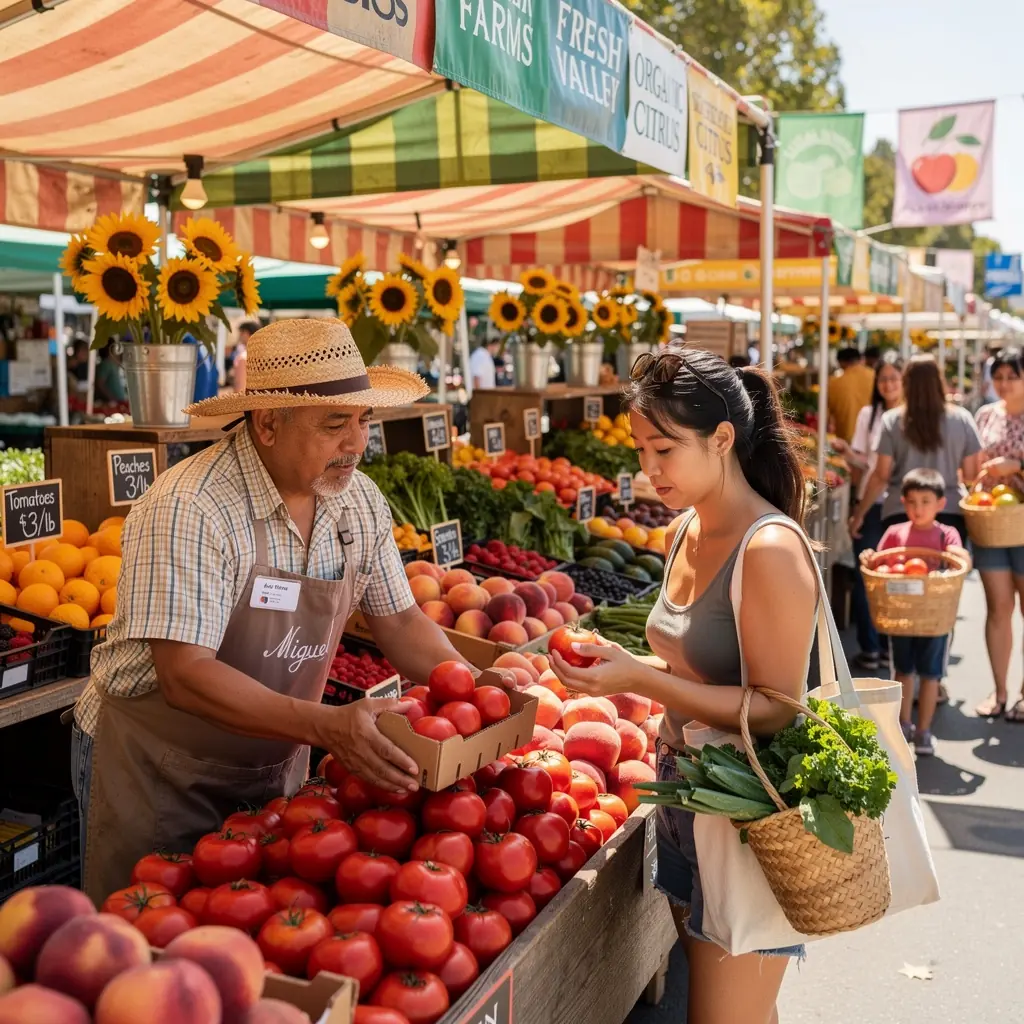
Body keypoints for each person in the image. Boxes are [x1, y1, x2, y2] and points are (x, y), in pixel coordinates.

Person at [71, 319, 515, 904]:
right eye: (336, 424)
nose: (356, 444)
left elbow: (402, 622)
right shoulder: (191, 508)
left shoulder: (356, 501)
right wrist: (324, 726)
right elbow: (185, 676)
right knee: (151, 947)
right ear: (268, 422)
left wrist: (483, 693)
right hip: (157, 769)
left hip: (274, 760)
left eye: (363, 421)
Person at [549, 349, 818, 1023]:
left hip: (750, 812)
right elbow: (695, 670)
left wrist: (640, 677)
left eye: (663, 449)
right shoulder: (688, 528)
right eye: (642, 448)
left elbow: (779, 711)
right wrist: (624, 662)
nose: (648, 469)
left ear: (722, 439)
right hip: (683, 793)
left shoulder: (770, 550)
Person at [876, 469, 965, 756]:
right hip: (902, 617)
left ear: (941, 503)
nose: (918, 508)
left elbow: (962, 559)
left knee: (931, 675)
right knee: (903, 670)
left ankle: (924, 730)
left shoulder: (946, 534)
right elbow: (878, 564)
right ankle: (904, 724)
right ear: (903, 502)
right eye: (912, 502)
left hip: (934, 619)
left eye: (926, 501)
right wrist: (870, 558)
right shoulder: (894, 533)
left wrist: (956, 558)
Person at [850, 354, 981, 542]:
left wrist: (859, 514)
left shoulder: (892, 421)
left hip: (901, 510)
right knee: (944, 570)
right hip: (949, 509)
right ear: (939, 381)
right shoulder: (962, 419)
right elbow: (971, 474)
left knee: (902, 569)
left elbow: (881, 475)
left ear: (906, 383)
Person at [832, 356, 903, 671]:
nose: (888, 384)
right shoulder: (868, 414)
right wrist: (848, 454)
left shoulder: (912, 416)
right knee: (867, 577)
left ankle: (891, 646)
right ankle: (871, 648)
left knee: (897, 578)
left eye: (894, 378)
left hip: (901, 506)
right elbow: (864, 460)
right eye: (883, 378)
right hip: (872, 504)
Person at [971, 348, 1024, 720]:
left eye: (1012, 376)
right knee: (998, 608)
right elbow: (972, 467)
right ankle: (1001, 690)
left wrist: (1016, 465)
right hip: (992, 523)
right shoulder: (985, 414)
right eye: (999, 376)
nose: (1003, 383)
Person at [827, 347, 875, 443]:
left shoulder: (834, 383)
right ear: (860, 359)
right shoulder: (875, 376)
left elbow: (827, 415)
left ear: (841, 362)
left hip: (846, 439)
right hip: (873, 435)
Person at [230, 321, 259, 392]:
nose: (240, 335)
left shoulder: (243, 358)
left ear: (251, 334)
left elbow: (240, 386)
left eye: (242, 332)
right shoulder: (260, 355)